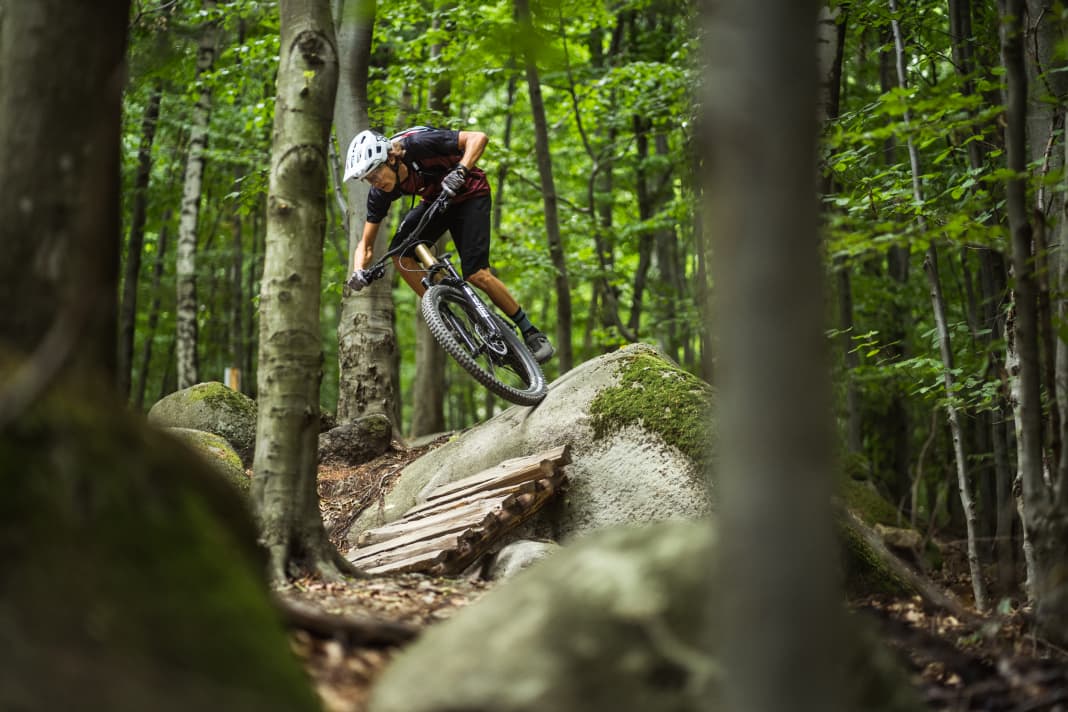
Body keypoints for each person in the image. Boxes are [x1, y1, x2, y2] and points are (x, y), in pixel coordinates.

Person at [343, 126, 554, 364]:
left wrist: (461, 170)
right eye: (368, 179)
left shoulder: (419, 144)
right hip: (438, 201)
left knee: (477, 274)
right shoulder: (379, 193)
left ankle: (531, 332)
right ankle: (444, 306)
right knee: (400, 254)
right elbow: (366, 244)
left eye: (375, 174)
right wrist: (358, 271)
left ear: (391, 158)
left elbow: (478, 138)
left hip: (470, 193)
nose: (375, 182)